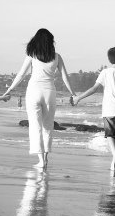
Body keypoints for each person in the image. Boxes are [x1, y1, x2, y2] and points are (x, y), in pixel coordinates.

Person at [4, 28, 76, 168]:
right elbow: (65, 77)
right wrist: (73, 93)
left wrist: (9, 89)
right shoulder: (57, 57)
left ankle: (41, 160)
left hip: (33, 92)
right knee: (48, 126)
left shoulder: (32, 55)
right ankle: (46, 159)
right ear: (50, 42)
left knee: (35, 126)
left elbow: (21, 75)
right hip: (49, 92)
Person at [73, 47, 115, 172]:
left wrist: (78, 97)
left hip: (109, 109)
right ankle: (114, 162)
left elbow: (94, 88)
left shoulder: (105, 72)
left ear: (109, 59)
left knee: (110, 136)